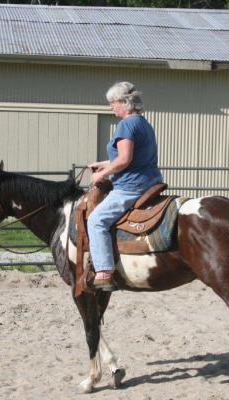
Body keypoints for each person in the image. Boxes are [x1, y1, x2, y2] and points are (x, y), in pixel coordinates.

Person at [87, 82, 163, 291]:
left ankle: (103, 271)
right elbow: (128, 158)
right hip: (150, 180)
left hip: (131, 185)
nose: (111, 107)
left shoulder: (126, 125)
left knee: (96, 220)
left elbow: (125, 160)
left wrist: (101, 175)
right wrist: (102, 163)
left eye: (112, 103)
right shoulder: (143, 123)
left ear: (124, 102)